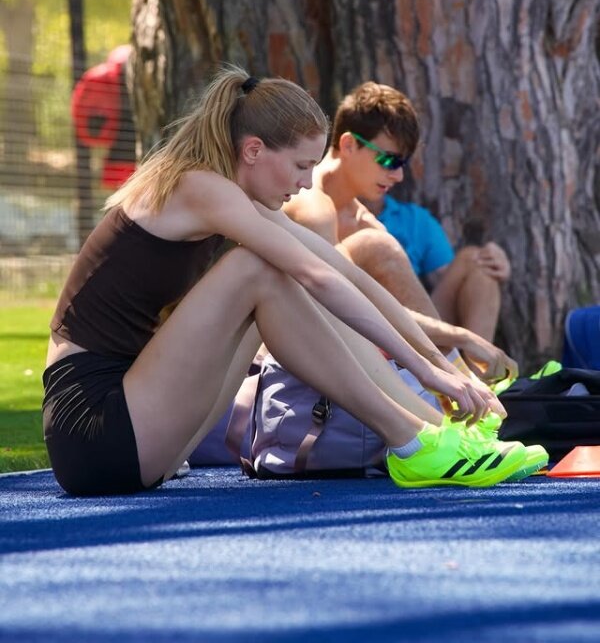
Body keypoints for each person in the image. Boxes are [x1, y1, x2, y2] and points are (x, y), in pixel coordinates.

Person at [42, 66, 530, 498]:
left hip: (144, 435)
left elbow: (346, 274)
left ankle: (434, 430)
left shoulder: (235, 198)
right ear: (253, 150)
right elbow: (316, 277)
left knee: (275, 282)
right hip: (95, 432)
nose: (306, 183)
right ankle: (411, 442)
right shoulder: (199, 187)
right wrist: (427, 372)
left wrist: (440, 363)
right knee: (258, 269)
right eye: (301, 166)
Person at [284, 81, 515, 383]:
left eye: (403, 163)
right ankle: (462, 385)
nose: (399, 175)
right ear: (349, 145)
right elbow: (343, 303)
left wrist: (496, 266)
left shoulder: (364, 220)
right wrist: (460, 336)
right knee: (376, 245)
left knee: (476, 262)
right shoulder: (311, 205)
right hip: (306, 353)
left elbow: (400, 305)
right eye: (389, 160)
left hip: (371, 344)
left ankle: (471, 383)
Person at [368, 195, 510, 342]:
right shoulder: (354, 222)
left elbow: (455, 281)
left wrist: (495, 264)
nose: (395, 180)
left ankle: (479, 355)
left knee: (476, 263)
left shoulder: (414, 219)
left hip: (417, 328)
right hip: (368, 332)